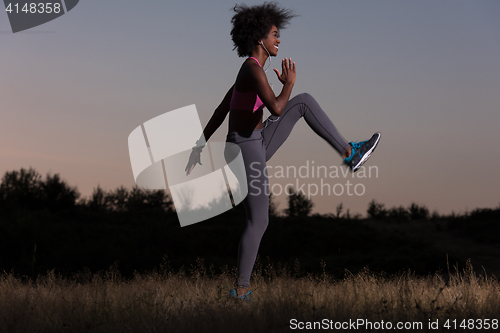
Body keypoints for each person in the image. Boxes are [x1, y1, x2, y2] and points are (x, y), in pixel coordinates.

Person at [185, 2, 380, 300]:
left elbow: (221, 109)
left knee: (302, 101)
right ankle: (241, 291)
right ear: (260, 37)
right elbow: (276, 106)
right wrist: (288, 84)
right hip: (244, 148)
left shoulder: (251, 71)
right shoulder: (251, 69)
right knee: (259, 221)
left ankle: (350, 153)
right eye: (275, 34)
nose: (279, 40)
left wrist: (199, 147)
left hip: (254, 142)